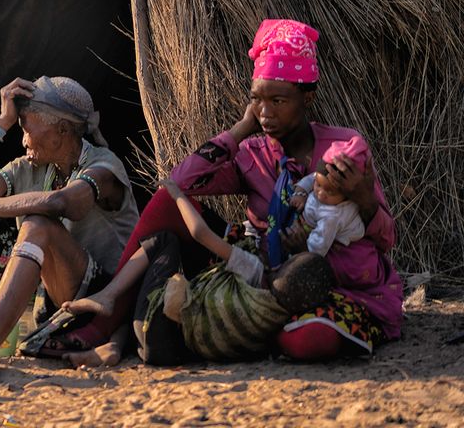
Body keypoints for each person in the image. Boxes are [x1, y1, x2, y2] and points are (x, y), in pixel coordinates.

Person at [69, 19, 402, 361]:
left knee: (307, 341)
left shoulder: (343, 148)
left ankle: (262, 330)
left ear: (308, 97)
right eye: (257, 100)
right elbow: (180, 182)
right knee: (170, 201)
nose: (265, 112)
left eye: (278, 101)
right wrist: (240, 130)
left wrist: (363, 198)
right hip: (261, 272)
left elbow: (386, 240)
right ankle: (104, 322)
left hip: (335, 285)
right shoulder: (251, 155)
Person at [0, 76, 139, 385]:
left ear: (61, 131)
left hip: (102, 298)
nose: (22, 138)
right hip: (54, 295)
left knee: (38, 224)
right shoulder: (32, 167)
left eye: (26, 126)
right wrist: (0, 124)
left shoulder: (104, 167)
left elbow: (62, 203)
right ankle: (0, 301)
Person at [66, 178, 335, 363]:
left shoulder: (255, 273)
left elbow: (200, 232)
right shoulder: (278, 319)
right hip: (172, 353)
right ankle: (113, 347)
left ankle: (109, 295)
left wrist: (178, 195)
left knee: (165, 242)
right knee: (159, 295)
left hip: (153, 333)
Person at [291, 137, 367, 256]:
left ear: (347, 196)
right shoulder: (325, 180)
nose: (321, 193)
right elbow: (313, 177)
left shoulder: (331, 217)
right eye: (318, 185)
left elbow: (316, 249)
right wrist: (300, 192)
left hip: (335, 242)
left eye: (330, 192)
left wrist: (301, 248)